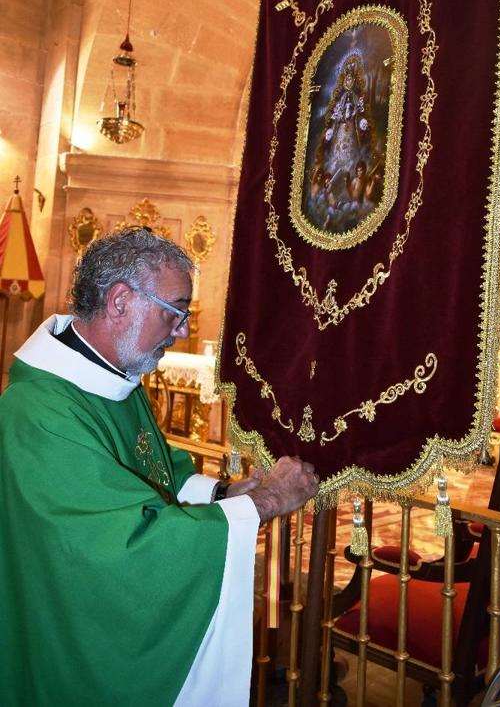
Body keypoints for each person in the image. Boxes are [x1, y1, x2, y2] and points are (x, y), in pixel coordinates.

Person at [0, 227, 318, 707]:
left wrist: (224, 495)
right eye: (176, 310)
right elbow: (123, 545)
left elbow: (152, 470)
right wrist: (266, 501)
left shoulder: (111, 376)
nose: (183, 329)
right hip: (67, 640)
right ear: (121, 301)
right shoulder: (40, 412)